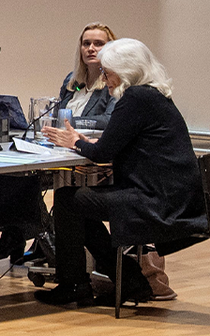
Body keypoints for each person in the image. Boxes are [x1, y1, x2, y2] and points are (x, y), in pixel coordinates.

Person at [37, 39, 207, 307]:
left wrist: (75, 142)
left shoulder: (135, 98)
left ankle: (76, 284)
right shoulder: (153, 95)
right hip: (171, 195)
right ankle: (129, 281)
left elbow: (104, 152)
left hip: (155, 201)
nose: (104, 80)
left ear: (126, 70)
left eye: (107, 72)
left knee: (67, 201)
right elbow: (118, 144)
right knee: (78, 202)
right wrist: (85, 142)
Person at [0, 22, 119, 262]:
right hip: (57, 149)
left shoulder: (113, 82)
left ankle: (38, 238)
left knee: (39, 184)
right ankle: (27, 235)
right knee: (14, 175)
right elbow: (56, 112)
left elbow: (109, 121)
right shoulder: (73, 79)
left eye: (98, 44)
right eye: (86, 43)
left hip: (88, 160)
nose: (91, 48)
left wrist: (70, 124)